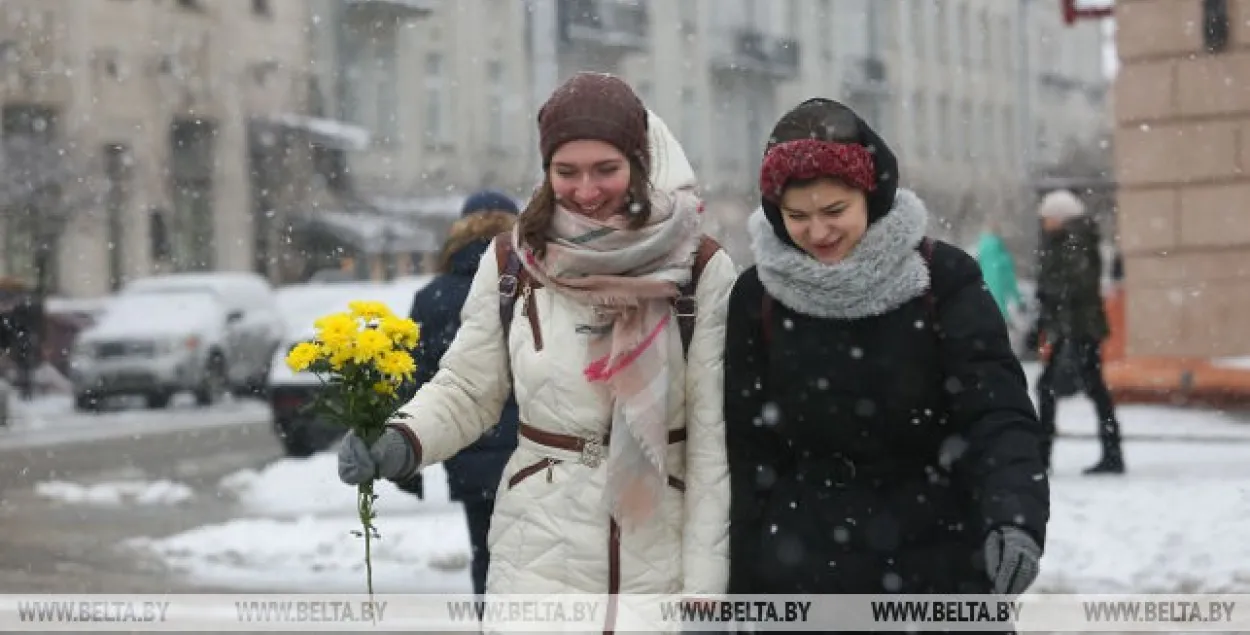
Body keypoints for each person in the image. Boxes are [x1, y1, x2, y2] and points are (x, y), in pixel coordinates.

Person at [336, 72, 736, 631]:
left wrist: (703, 589)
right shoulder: (512, 263)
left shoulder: (699, 267)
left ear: (640, 163)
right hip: (537, 553)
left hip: (657, 554)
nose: (587, 191)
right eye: (566, 171)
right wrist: (403, 440)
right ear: (546, 172)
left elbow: (711, 441)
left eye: (607, 169)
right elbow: (468, 389)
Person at [723, 98, 1049, 613]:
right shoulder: (757, 296)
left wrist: (1015, 515)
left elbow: (996, 413)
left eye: (835, 211)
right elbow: (746, 451)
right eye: (796, 216)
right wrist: (737, 595)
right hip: (801, 570)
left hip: (938, 562)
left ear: (871, 196)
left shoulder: (942, 280)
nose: (817, 232)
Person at [396, 189, 522, 600]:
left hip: (468, 449)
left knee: (486, 557)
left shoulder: (433, 296)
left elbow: (415, 379)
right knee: (536, 563)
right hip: (533, 450)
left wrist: (409, 459)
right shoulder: (531, 282)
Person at [1034, 189, 1124, 475]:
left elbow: (1076, 286)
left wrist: (1049, 296)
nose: (1044, 223)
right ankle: (1110, 452)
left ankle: (1045, 454)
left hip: (1078, 330)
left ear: (1060, 217)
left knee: (1051, 388)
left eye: (1047, 217)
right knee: (1091, 390)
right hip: (1073, 329)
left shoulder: (1076, 242)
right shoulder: (1067, 241)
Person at [975, 222, 1023, 320]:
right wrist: (1018, 301)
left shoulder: (981, 250)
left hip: (983, 304)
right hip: (1000, 312)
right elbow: (1011, 282)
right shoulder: (1002, 254)